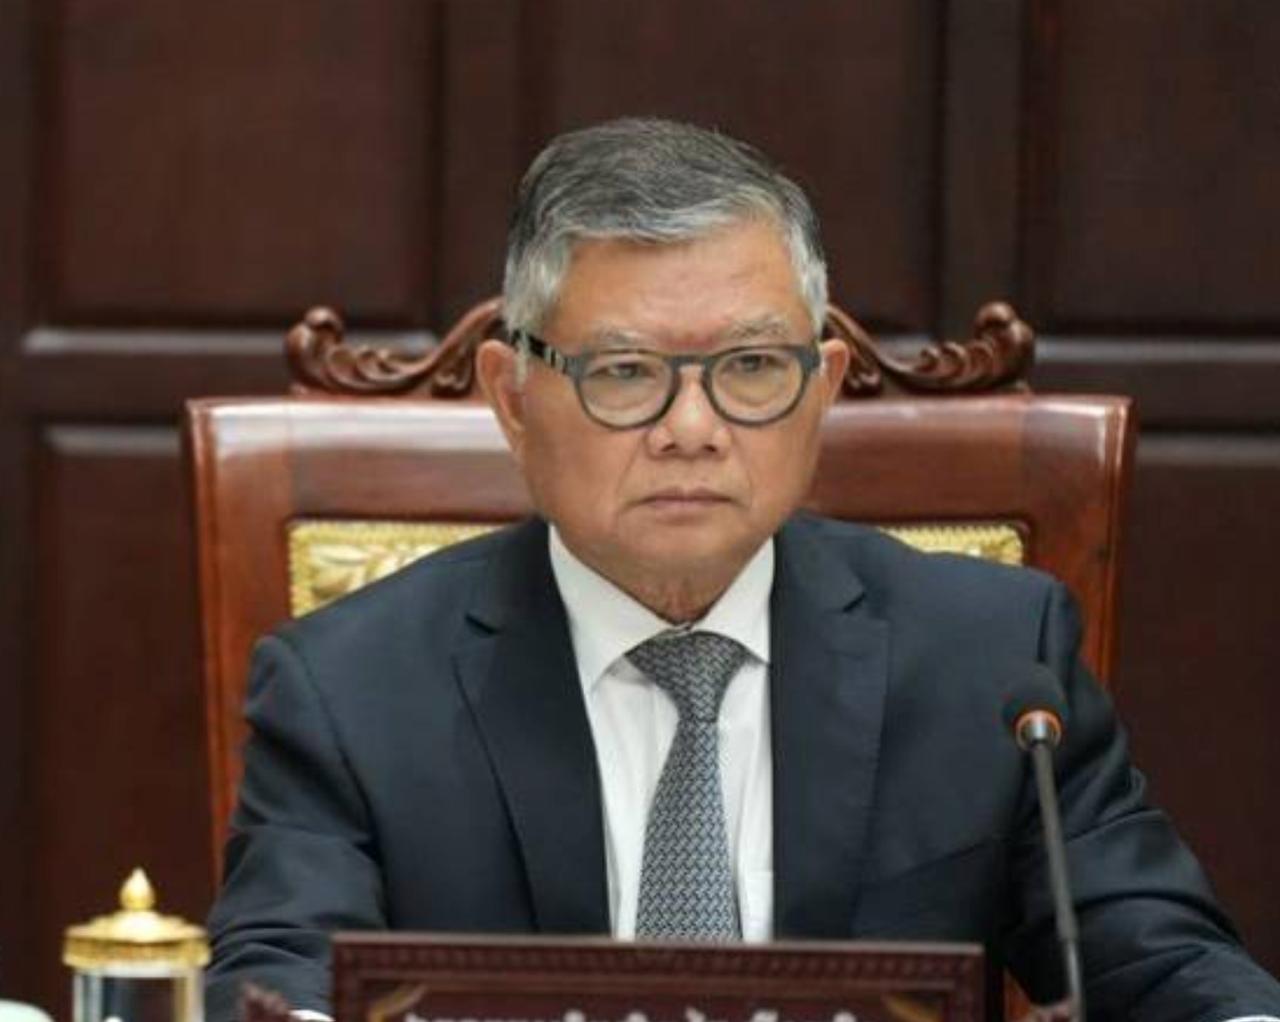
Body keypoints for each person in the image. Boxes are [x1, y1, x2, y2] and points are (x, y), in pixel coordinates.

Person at [205, 118, 1280, 1021]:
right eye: (625, 371)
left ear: (823, 387)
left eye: (752, 366)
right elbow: (282, 974)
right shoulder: (348, 687)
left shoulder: (995, 662)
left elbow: (1160, 962)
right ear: (511, 397)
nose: (692, 428)